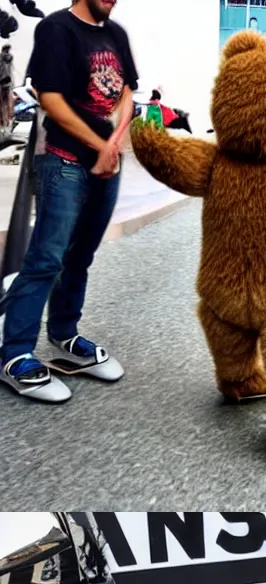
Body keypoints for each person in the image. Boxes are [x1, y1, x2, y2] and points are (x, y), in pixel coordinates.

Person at [0, 0, 135, 402]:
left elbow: (127, 91)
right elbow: (51, 100)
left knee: (81, 256)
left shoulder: (116, 34)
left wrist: (113, 143)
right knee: (46, 259)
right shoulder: (57, 29)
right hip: (63, 160)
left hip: (105, 163)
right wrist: (101, 146)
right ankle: (15, 354)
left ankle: (64, 334)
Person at [0, 44, 14, 132]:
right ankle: (6, 123)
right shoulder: (9, 58)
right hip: (6, 82)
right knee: (5, 104)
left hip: (4, 82)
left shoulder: (3, 57)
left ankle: (5, 123)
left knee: (4, 104)